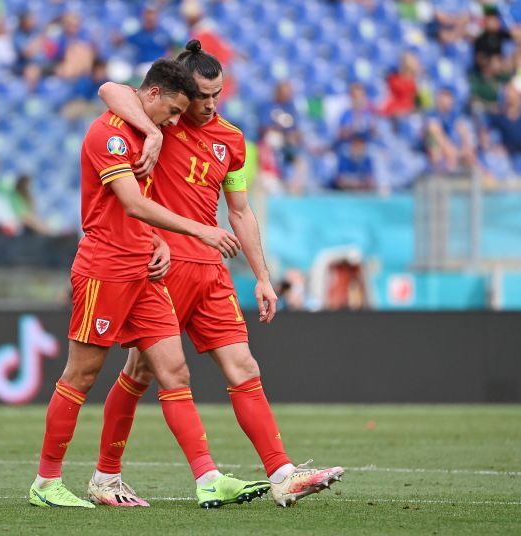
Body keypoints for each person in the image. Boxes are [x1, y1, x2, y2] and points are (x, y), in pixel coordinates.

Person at [96, 40, 344, 508]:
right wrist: (149, 134)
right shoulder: (158, 120)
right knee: (143, 371)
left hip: (211, 269)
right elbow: (110, 88)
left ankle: (282, 473)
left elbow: (241, 212)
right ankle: (109, 475)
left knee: (244, 366)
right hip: (161, 267)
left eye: (217, 94)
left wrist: (263, 277)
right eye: (202, 96)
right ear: (182, 92)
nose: (209, 105)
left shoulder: (232, 139)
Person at [28, 59, 266, 510]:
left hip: (146, 268)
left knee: (174, 371)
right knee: (81, 375)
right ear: (153, 96)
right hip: (105, 268)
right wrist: (199, 230)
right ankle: (46, 481)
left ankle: (207, 477)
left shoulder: (146, 131)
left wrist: (157, 241)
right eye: (172, 112)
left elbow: (149, 197)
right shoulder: (110, 135)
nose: (176, 122)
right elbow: (133, 204)